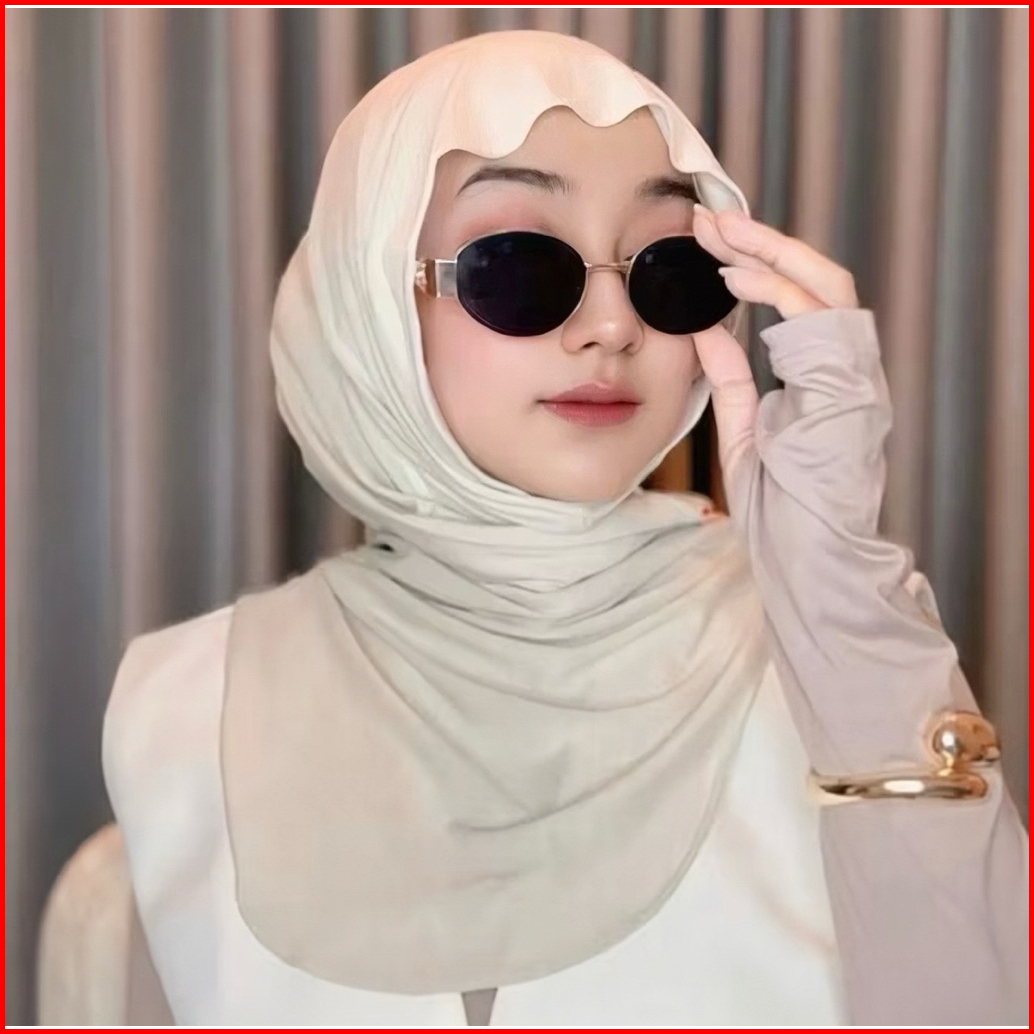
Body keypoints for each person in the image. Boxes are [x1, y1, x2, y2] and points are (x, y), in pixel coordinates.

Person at [55, 30, 1025, 1026]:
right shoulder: (181, 708)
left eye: (669, 269)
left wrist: (840, 597)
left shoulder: (832, 652)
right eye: (517, 265)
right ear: (366, 300)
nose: (612, 325)